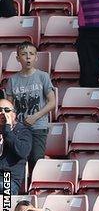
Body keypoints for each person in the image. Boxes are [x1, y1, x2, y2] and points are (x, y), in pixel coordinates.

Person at [4, 42, 55, 170]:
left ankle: (35, 188)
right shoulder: (12, 80)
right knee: (14, 160)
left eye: (31, 54)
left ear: (36, 57)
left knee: (36, 161)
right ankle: (10, 188)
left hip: (38, 126)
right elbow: (9, 107)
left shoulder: (43, 76)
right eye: (24, 54)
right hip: (20, 128)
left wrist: (35, 117)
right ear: (17, 58)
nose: (28, 57)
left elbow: (52, 102)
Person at [0, 98, 31, 195]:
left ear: (14, 114)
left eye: (7, 110)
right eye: (0, 110)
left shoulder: (23, 132)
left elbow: (23, 152)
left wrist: (7, 130)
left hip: (8, 177)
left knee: (6, 203)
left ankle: (6, 210)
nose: (3, 113)